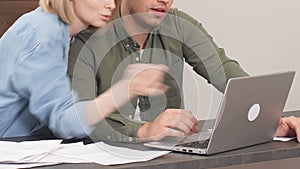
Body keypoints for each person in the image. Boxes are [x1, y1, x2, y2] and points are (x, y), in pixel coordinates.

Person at [69, 0, 300, 143]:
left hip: (169, 158)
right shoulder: (86, 38)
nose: (165, 0)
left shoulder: (178, 25)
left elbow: (224, 71)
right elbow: (78, 118)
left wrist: (270, 121)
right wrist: (144, 130)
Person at [0, 0, 199, 139]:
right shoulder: (45, 34)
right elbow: (63, 120)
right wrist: (125, 89)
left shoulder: (57, 31)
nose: (111, 5)